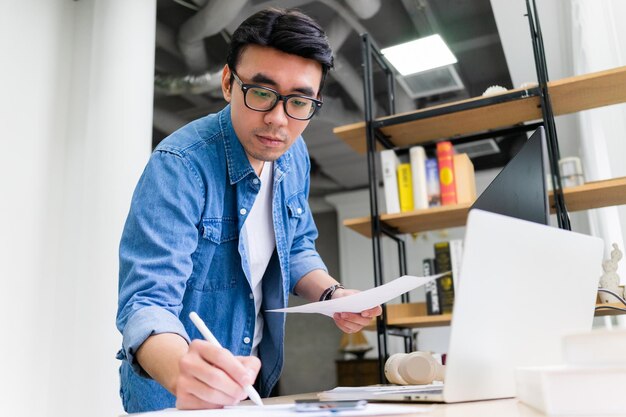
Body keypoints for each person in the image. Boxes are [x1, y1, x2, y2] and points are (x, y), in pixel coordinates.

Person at [116, 7, 382, 413]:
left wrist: (333, 294)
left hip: (252, 380)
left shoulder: (295, 156)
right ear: (228, 82)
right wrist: (181, 370)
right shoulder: (179, 166)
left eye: (299, 101)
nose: (278, 120)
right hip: (175, 390)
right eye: (261, 92)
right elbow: (147, 301)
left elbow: (295, 247)